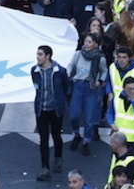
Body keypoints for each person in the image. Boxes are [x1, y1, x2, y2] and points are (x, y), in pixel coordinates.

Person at [31, 44, 71, 181]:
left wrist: (61, 99)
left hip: (55, 109)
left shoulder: (59, 71)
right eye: (37, 54)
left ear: (48, 56)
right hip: (41, 109)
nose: (38, 57)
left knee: (56, 135)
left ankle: (58, 158)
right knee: (43, 139)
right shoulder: (34, 71)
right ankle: (45, 167)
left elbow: (66, 86)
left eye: (40, 54)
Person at [67, 33, 108, 156]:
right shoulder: (78, 54)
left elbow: (104, 71)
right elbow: (71, 65)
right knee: (74, 114)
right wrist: (68, 73)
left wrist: (100, 80)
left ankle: (86, 142)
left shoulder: (100, 58)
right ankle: (77, 134)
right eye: (86, 41)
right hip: (78, 85)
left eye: (90, 42)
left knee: (89, 118)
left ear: (96, 44)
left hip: (91, 88)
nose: (87, 44)